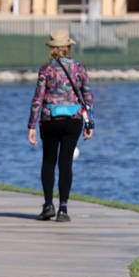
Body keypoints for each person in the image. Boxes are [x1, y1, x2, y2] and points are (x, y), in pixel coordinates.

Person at [27, 30, 94, 222]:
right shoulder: (79, 68)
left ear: (52, 49)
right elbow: (88, 97)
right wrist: (89, 123)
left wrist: (31, 125)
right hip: (73, 120)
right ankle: (63, 209)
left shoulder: (46, 69)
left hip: (50, 120)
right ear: (68, 47)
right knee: (66, 163)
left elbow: (38, 98)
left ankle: (48, 205)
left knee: (49, 161)